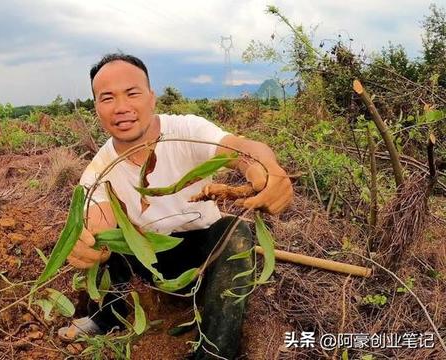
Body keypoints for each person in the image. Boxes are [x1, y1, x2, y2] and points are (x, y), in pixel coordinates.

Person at [58, 53, 293, 359]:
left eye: (132, 93)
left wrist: (263, 166)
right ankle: (109, 315)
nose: (122, 107)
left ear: (151, 97)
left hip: (200, 254)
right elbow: (97, 219)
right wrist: (87, 240)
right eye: (107, 98)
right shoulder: (98, 170)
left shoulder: (186, 132)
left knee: (236, 231)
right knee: (114, 242)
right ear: (97, 109)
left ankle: (216, 351)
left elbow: (238, 147)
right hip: (148, 258)